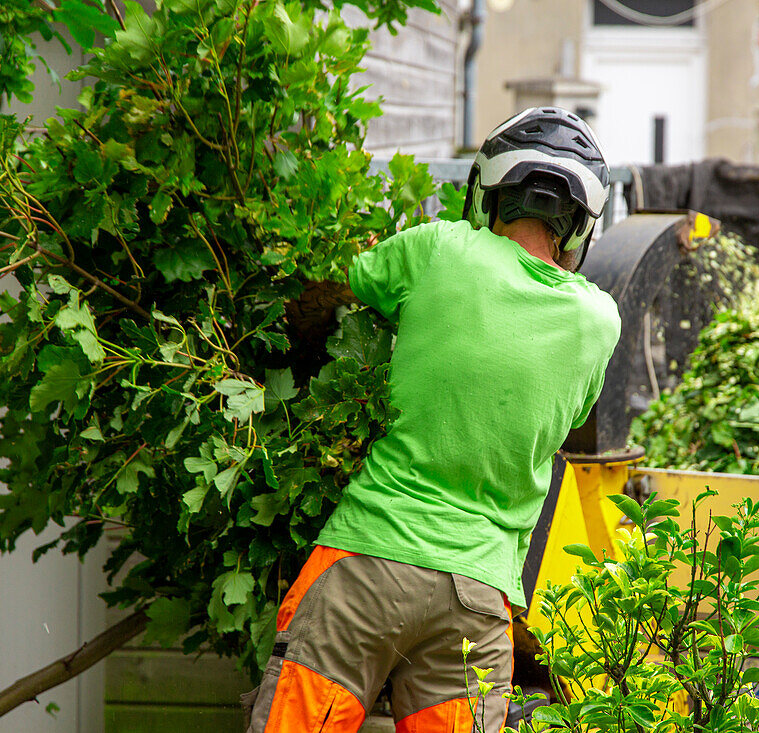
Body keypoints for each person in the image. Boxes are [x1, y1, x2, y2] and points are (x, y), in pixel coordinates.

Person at [245, 107, 621, 733]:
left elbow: (355, 282)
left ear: (489, 191)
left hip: (367, 564)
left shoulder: (440, 249)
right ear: (580, 222)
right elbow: (573, 413)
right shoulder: (598, 321)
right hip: (477, 599)